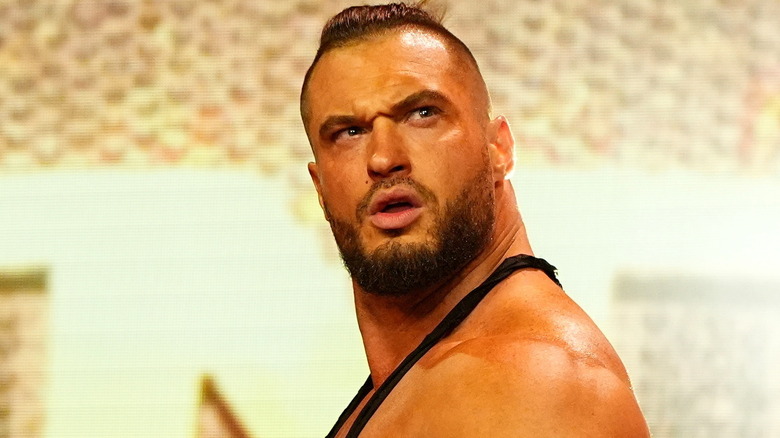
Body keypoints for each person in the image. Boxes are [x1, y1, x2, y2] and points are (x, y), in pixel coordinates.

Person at [300, 2, 650, 437]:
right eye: (349, 132)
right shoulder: (439, 377)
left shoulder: (532, 382)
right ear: (319, 186)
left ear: (499, 149)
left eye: (422, 113)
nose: (384, 158)